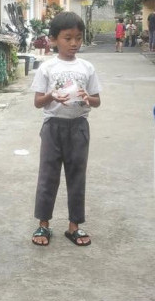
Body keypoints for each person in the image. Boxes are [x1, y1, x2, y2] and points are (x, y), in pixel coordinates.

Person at [30, 12, 102, 247]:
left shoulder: (87, 67)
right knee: (48, 177)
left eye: (78, 38)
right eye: (67, 38)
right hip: (53, 127)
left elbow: (97, 100)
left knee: (76, 177)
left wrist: (87, 97)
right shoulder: (47, 67)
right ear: (53, 40)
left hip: (79, 127)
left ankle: (74, 227)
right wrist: (52, 95)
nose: (74, 44)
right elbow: (38, 102)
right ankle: (43, 225)